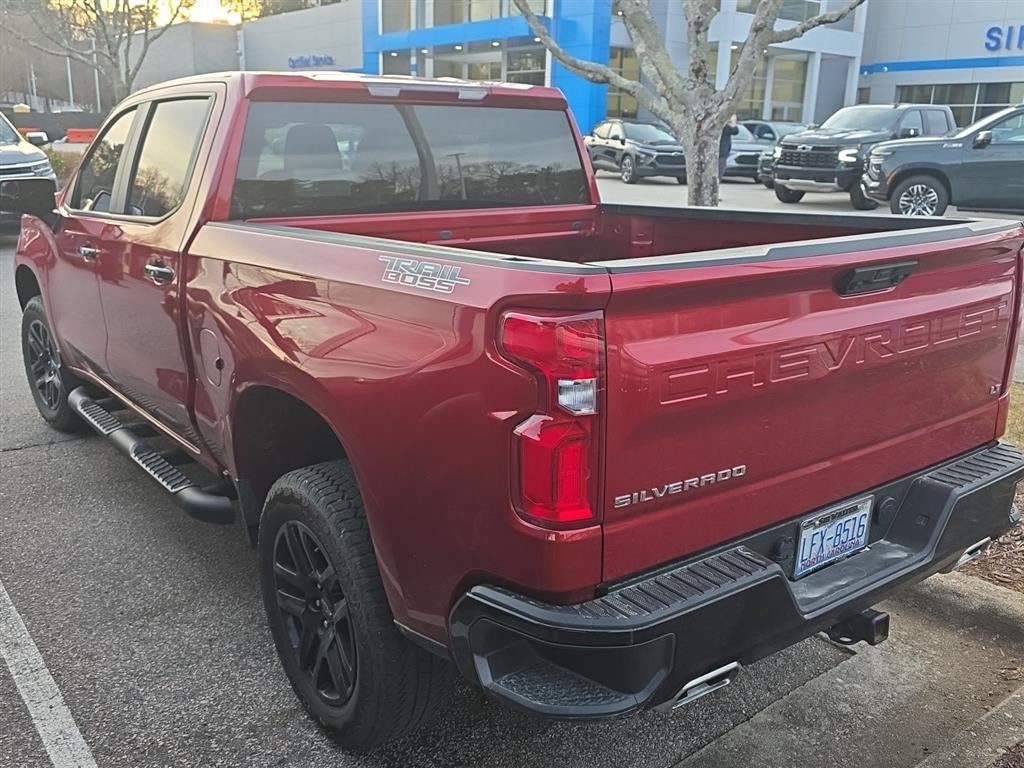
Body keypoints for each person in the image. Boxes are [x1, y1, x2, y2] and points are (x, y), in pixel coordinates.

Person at [719, 114, 739, 180]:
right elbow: (735, 131)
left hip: (722, 153)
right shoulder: (724, 127)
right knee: (719, 172)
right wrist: (733, 122)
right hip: (721, 154)